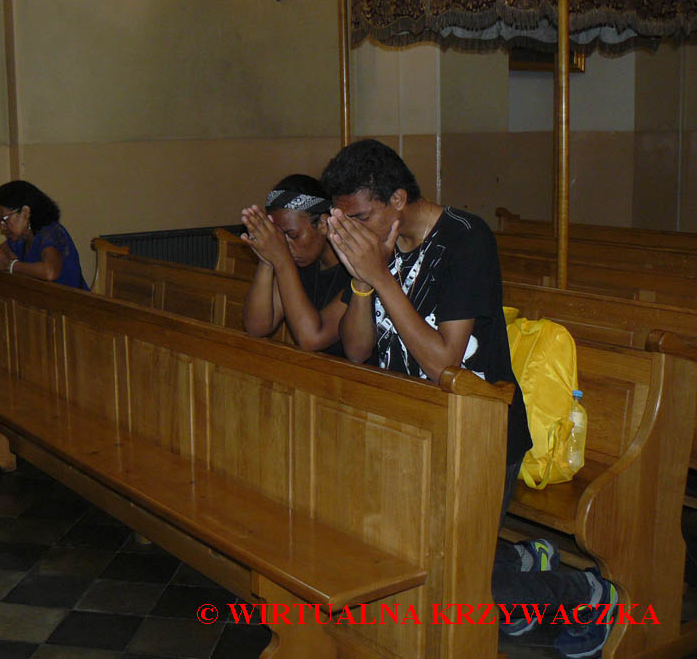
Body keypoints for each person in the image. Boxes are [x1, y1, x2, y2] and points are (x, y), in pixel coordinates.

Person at [321, 139, 616, 659]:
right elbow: (357, 348)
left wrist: (380, 276)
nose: (354, 233)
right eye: (344, 222)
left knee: (450, 579)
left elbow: (444, 364)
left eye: (360, 217)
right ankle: (520, 561)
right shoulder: (377, 252)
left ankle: (585, 592)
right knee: (407, 558)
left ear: (397, 199)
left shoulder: (465, 239)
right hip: (412, 427)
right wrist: (364, 285)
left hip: (479, 432)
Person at [240, 175, 350, 357]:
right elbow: (257, 328)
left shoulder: (356, 269)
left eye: (293, 235)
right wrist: (267, 260)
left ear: (323, 224)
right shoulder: (297, 263)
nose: (285, 246)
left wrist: (281, 260)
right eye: (279, 237)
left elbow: (311, 339)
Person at [0, 180, 89, 290]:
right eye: (0, 223)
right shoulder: (20, 238)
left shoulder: (50, 232)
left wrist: (9, 265)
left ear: (25, 212)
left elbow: (50, 272)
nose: (2, 228)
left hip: (71, 299)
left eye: (4, 220)